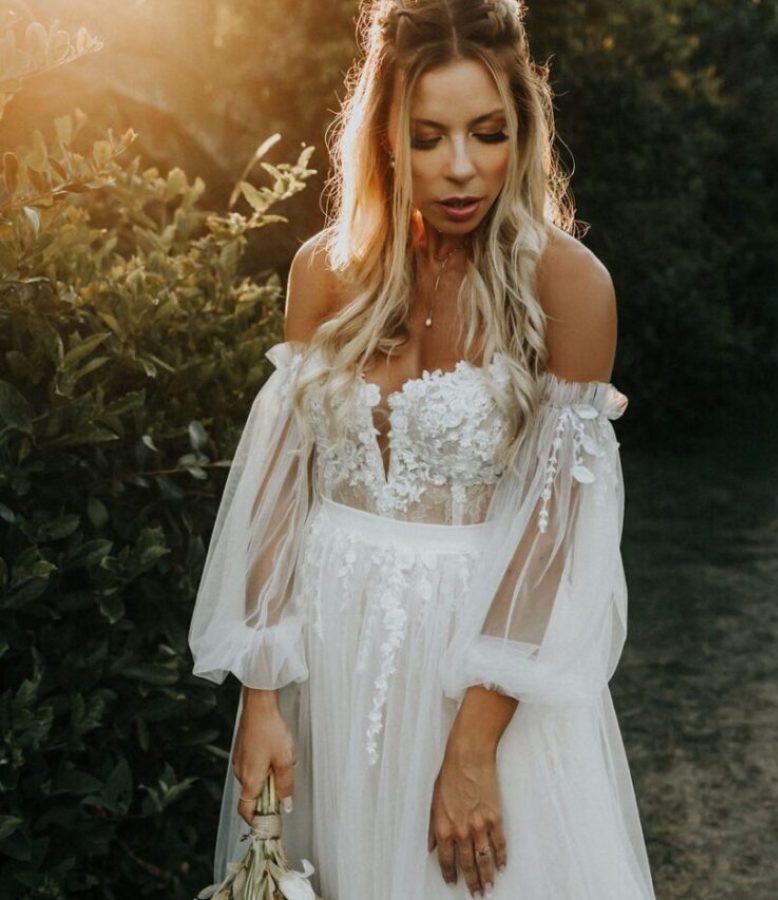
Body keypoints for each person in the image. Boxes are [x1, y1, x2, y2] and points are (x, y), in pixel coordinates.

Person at [188, 1, 657, 898]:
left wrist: (474, 746)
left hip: (478, 666)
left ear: (523, 128)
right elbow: (283, 497)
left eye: (487, 134)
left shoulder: (568, 285)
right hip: (327, 665)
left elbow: (553, 539)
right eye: (429, 134)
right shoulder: (326, 272)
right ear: (386, 137)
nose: (460, 167)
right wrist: (261, 698)